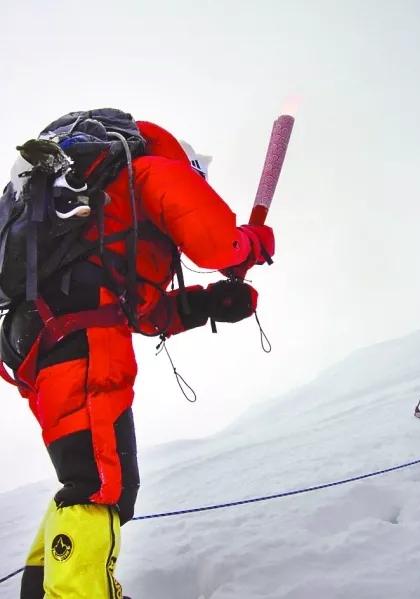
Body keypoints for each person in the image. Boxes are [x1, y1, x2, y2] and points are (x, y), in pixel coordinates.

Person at [0, 117, 275, 598]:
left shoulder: (106, 218)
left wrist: (208, 304)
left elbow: (140, 312)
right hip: (80, 337)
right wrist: (251, 243)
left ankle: (44, 590)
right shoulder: (153, 170)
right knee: (99, 484)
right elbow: (217, 242)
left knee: (91, 477)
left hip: (44, 338)